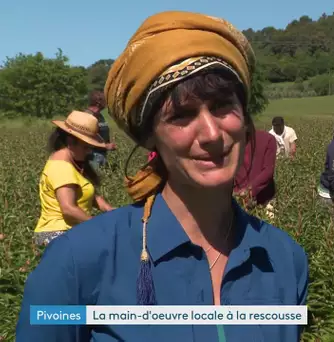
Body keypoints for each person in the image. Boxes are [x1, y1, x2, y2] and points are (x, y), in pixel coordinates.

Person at [17, 11, 308, 342]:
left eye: (222, 107)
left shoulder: (284, 259)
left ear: (244, 119)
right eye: (182, 115)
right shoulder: (76, 261)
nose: (212, 133)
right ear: (149, 137)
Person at [33, 111, 114, 246]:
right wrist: (98, 226)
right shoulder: (62, 168)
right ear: (71, 142)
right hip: (57, 233)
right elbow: (68, 209)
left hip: (70, 231)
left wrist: (111, 211)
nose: (89, 152)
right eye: (86, 147)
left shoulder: (72, 163)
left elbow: (88, 194)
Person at [234, 129, 278, 218]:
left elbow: (268, 171)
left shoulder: (267, 139)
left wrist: (248, 191)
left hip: (263, 199)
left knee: (267, 226)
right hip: (237, 199)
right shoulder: (230, 139)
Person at [84, 90, 116, 169]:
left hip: (102, 155)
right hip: (92, 156)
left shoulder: (100, 115)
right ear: (98, 102)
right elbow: (86, 138)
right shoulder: (87, 115)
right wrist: (105, 146)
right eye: (105, 101)